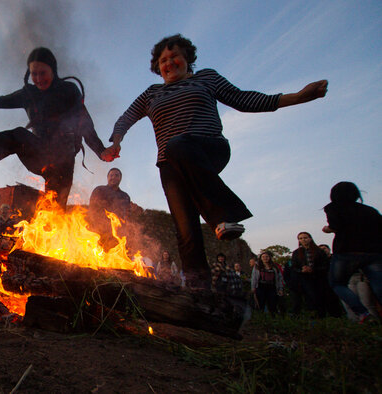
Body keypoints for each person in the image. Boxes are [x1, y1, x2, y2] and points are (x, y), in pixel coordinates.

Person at [102, 34, 328, 289]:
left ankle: (223, 215)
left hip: (208, 148)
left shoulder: (206, 78)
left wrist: (297, 97)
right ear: (158, 67)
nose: (169, 62)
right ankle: (199, 288)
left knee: (177, 144)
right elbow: (126, 117)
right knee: (185, 227)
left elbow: (244, 99)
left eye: (175, 55)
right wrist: (116, 141)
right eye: (163, 60)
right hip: (170, 166)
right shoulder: (151, 94)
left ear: (187, 58)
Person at [0, 47, 108, 209]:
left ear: (53, 70)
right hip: (39, 152)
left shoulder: (68, 90)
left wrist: (101, 151)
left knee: (54, 214)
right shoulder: (28, 94)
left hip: (64, 158)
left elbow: (85, 123)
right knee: (17, 135)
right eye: (34, 74)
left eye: (42, 73)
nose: (38, 79)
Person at [323, 181, 382, 323]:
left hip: (346, 251)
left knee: (337, 283)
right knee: (378, 285)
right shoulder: (370, 210)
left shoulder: (334, 208)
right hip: (373, 252)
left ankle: (363, 313)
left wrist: (328, 229)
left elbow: (336, 226)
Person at [87, 167, 131, 250]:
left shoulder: (125, 196)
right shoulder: (99, 190)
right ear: (107, 177)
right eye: (111, 175)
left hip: (117, 235)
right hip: (99, 231)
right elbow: (92, 209)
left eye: (116, 175)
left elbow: (127, 216)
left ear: (120, 178)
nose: (113, 177)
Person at [290, 232, 330, 317]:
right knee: (309, 299)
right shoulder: (296, 253)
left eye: (305, 238)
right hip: (304, 279)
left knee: (320, 298)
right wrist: (302, 270)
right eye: (300, 238)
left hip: (319, 278)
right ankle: (312, 316)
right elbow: (293, 266)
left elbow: (325, 265)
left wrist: (313, 269)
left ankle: (322, 316)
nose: (303, 240)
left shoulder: (319, 251)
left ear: (310, 238)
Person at [251, 251, 284, 315]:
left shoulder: (274, 267)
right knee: (260, 303)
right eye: (263, 257)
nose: (265, 258)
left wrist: (280, 288)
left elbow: (279, 278)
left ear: (269, 258)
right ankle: (261, 317)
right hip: (261, 286)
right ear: (260, 258)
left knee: (272, 303)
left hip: (272, 287)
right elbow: (254, 277)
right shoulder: (257, 266)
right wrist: (253, 287)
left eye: (267, 257)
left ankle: (273, 318)